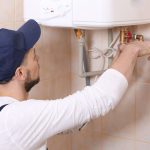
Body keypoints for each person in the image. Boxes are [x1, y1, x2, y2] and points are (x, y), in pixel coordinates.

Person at [0, 20, 149, 150]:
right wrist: (132, 50)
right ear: (20, 73)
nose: (38, 58)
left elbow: (70, 119)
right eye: (34, 56)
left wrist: (121, 61)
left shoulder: (9, 115)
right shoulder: (17, 119)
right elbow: (101, 98)